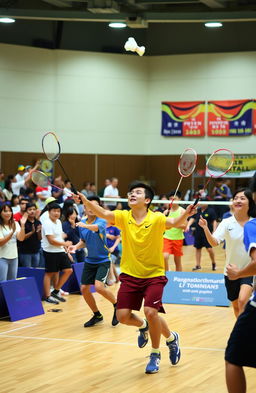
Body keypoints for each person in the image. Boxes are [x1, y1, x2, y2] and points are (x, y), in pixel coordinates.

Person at [74, 182, 197, 374]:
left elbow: (174, 223)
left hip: (154, 275)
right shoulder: (123, 217)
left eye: (138, 192)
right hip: (131, 275)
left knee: (151, 311)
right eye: (131, 192)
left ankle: (155, 354)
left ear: (147, 200)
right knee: (122, 317)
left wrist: (186, 213)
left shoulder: (156, 218)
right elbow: (103, 214)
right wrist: (83, 200)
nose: (132, 194)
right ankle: (164, 334)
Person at [199, 188, 255, 317]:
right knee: (236, 306)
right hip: (230, 271)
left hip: (249, 271)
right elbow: (214, 242)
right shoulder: (227, 222)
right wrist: (205, 228)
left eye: (242, 198)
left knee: (242, 301)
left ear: (250, 202)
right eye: (235, 198)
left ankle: (244, 335)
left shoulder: (254, 223)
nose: (238, 200)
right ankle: (241, 330)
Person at [68, 196, 119, 328]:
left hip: (103, 260)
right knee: (84, 288)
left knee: (99, 287)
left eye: (94, 206)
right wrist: (75, 246)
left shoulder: (102, 221)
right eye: (88, 205)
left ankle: (116, 305)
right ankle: (97, 315)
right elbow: (84, 241)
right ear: (84, 207)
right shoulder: (82, 224)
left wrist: (84, 225)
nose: (91, 208)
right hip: (90, 260)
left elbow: (96, 228)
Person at [225, 218, 256, 393]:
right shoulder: (227, 222)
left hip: (255, 307)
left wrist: (239, 273)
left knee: (233, 356)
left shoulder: (252, 226)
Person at [41, 203, 73, 304]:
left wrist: (65, 248)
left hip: (60, 250)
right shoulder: (47, 223)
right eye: (54, 211)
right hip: (50, 251)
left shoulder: (58, 222)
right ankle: (47, 296)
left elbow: (58, 237)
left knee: (68, 270)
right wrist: (65, 243)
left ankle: (55, 291)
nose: (56, 213)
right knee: (50, 273)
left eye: (58, 211)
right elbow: (51, 240)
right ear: (49, 212)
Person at [186, 199, 217, 271]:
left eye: (203, 202)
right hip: (198, 232)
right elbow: (192, 218)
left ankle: (213, 263)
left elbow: (214, 221)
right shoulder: (198, 210)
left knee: (209, 249)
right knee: (198, 248)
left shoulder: (211, 211)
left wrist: (214, 231)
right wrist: (188, 225)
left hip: (207, 233)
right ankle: (198, 265)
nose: (201, 203)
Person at [0, 203, 26, 281]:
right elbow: (1, 242)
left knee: (12, 280)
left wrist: (22, 226)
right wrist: (12, 233)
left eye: (9, 211)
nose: (8, 213)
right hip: (2, 257)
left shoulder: (15, 223)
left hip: (14, 257)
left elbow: (21, 238)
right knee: (2, 281)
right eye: (5, 211)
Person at [163, 191, 186, 271]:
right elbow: (163, 225)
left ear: (179, 199)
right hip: (166, 238)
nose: (172, 200)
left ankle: (178, 278)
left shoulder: (182, 211)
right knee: (164, 257)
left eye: (174, 199)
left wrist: (173, 224)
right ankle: (167, 274)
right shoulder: (166, 212)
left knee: (177, 262)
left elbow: (184, 226)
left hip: (178, 239)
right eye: (170, 199)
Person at [18, 202, 42, 268]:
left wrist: (38, 232)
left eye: (34, 209)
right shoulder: (22, 222)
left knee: (36, 271)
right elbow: (21, 238)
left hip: (36, 251)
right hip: (25, 252)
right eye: (30, 209)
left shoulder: (38, 222)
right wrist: (32, 232)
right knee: (27, 271)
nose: (32, 211)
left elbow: (40, 238)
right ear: (26, 211)